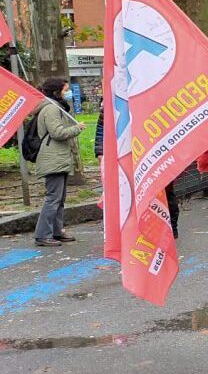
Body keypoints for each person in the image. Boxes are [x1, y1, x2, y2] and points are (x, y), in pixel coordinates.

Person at [95, 102, 179, 238]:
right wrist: (100, 151)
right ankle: (135, 229)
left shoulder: (152, 97)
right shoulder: (113, 100)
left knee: (164, 192)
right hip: (126, 156)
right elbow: (102, 129)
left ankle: (170, 228)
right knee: (129, 194)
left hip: (154, 154)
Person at [32, 78, 84, 247]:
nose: (67, 93)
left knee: (59, 198)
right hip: (52, 158)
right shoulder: (52, 109)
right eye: (64, 90)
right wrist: (77, 128)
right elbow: (57, 132)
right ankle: (43, 234)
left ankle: (56, 230)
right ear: (56, 92)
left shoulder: (55, 107)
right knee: (53, 198)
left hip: (58, 157)